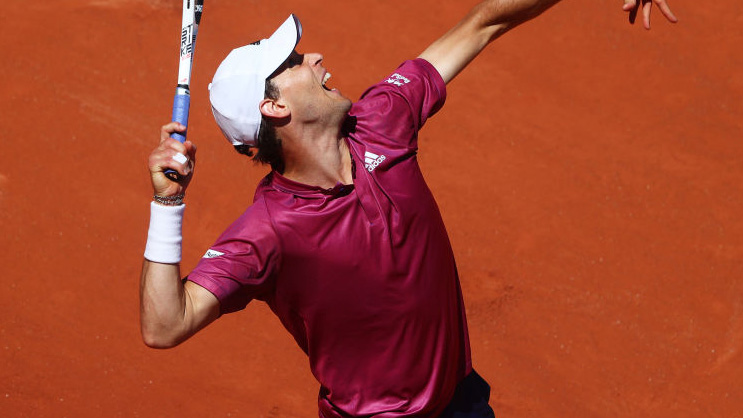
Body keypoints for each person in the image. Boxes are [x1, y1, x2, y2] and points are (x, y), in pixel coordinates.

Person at [140, 0, 677, 416]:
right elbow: (166, 325)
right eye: (296, 62)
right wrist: (168, 204)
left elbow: (483, 23)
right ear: (274, 106)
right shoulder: (269, 231)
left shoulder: (382, 120)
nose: (317, 59)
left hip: (463, 403)